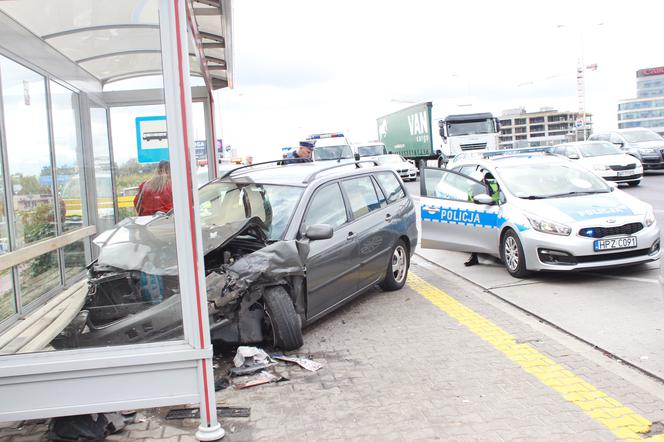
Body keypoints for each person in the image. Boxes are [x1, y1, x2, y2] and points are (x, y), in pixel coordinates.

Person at [465, 171, 501, 267]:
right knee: (473, 233)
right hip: (479, 213)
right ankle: (474, 257)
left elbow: (497, 199)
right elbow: (469, 203)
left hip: (493, 211)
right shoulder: (471, 190)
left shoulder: (494, 185)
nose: (474, 188)